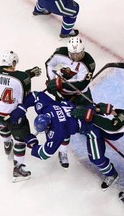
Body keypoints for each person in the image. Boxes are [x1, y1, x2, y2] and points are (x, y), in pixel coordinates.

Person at [10, 91, 122, 190]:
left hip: (93, 128)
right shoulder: (47, 108)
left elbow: (45, 154)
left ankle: (112, 174)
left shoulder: (58, 130)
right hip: (86, 114)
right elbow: (35, 96)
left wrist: (32, 144)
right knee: (67, 133)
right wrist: (22, 107)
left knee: (96, 158)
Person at [0, 50, 42, 183]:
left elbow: (10, 77)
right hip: (11, 115)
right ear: (13, 62)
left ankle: (7, 144)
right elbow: (25, 98)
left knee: (2, 124)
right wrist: (28, 76)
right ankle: (18, 169)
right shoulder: (21, 78)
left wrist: (28, 74)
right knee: (20, 140)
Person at [45, 36, 96, 169]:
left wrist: (58, 83)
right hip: (62, 95)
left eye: (79, 53)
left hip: (81, 95)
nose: (76, 56)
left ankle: (89, 131)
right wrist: (51, 80)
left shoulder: (89, 63)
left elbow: (81, 84)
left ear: (83, 50)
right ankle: (63, 152)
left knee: (89, 116)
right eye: (73, 54)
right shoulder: (60, 53)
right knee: (64, 122)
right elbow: (49, 64)